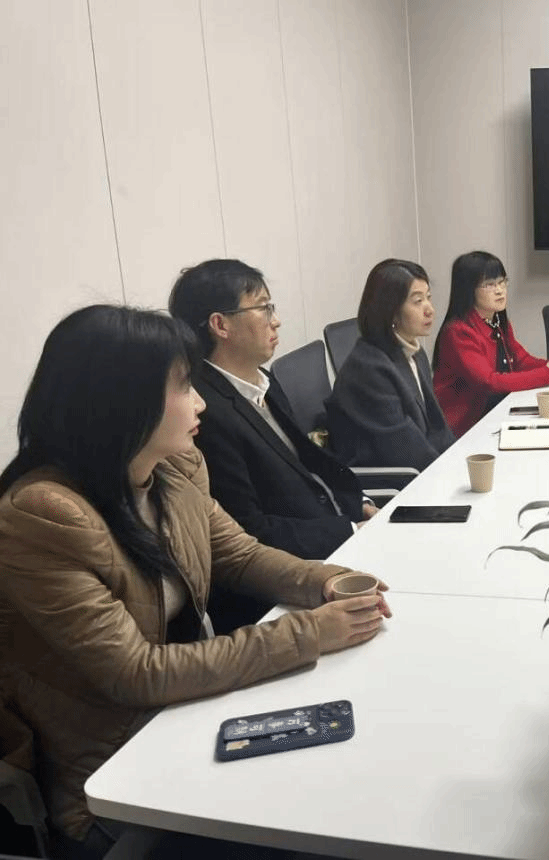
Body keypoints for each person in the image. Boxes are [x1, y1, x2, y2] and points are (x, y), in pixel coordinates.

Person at [0, 306, 391, 855]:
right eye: (185, 386)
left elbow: (240, 556)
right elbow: (137, 674)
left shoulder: (173, 469)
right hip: (111, 776)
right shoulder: (43, 515)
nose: (201, 402)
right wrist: (312, 633)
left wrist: (330, 581)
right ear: (121, 403)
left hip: (187, 716)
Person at [169, 260, 376, 629]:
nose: (275, 320)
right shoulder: (204, 414)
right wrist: (347, 530)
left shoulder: (261, 379)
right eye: (263, 308)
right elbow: (249, 529)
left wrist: (357, 506)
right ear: (220, 325)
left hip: (332, 542)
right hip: (280, 589)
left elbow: (306, 465)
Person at [326, 259, 455, 469]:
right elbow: (403, 450)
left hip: (422, 468)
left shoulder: (414, 352)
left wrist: (460, 459)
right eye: (418, 301)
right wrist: (451, 472)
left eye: (428, 298)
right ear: (391, 311)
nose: (430, 309)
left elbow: (436, 425)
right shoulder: (369, 369)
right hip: (394, 479)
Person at [432, 251, 549, 436]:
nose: (499, 290)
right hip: (464, 428)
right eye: (489, 284)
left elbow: (521, 360)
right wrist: (548, 374)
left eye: (502, 282)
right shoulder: (458, 332)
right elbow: (489, 382)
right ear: (469, 289)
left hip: (495, 413)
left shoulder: (497, 321)